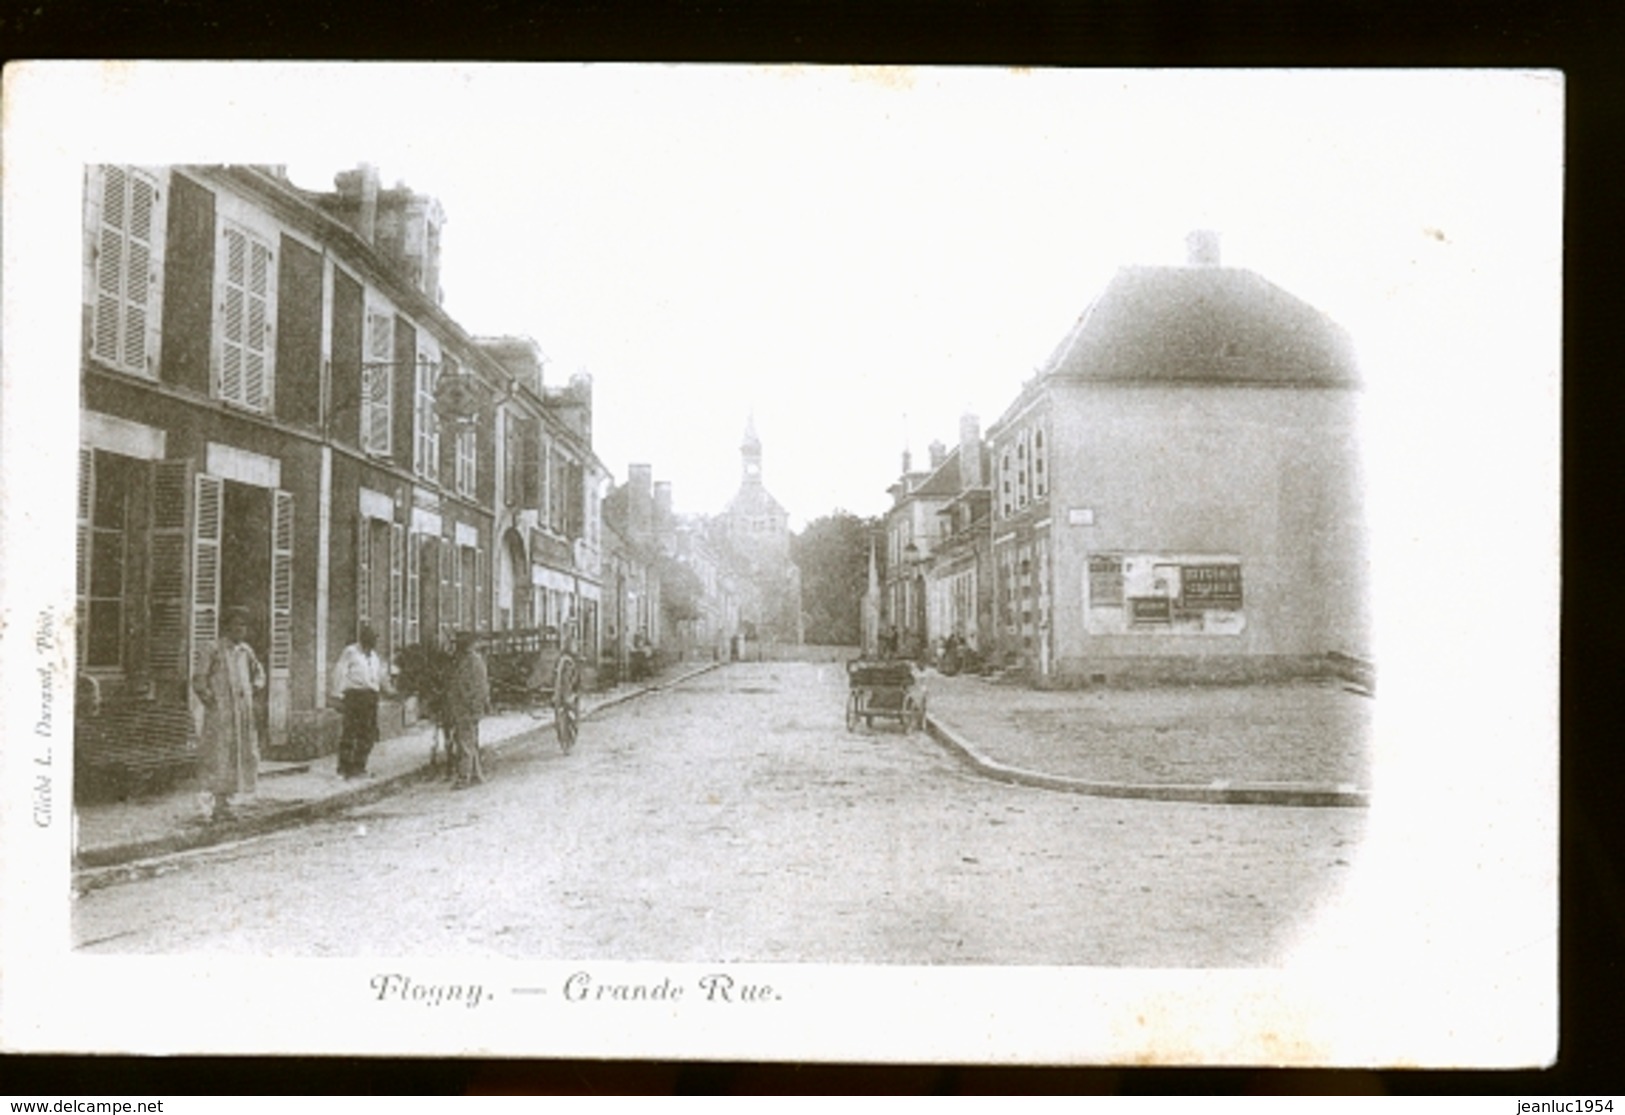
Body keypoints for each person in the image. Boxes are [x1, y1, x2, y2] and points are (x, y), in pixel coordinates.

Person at [192, 607, 266, 821]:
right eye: (237, 625)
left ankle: (226, 804)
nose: (241, 630)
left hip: (241, 713)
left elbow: (259, 673)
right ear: (227, 627)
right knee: (218, 755)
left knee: (239, 754)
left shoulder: (245, 651)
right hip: (221, 713)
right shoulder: (213, 649)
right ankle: (211, 805)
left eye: (244, 625)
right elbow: (199, 679)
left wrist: (255, 687)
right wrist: (210, 700)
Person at [332, 623, 384, 779]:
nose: (373, 642)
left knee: (368, 734)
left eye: (375, 639)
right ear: (363, 639)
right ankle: (344, 768)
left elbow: (378, 677)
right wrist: (338, 696)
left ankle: (359, 767)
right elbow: (339, 673)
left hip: (370, 697)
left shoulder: (374, 656)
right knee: (350, 732)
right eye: (370, 639)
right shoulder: (350, 652)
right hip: (354, 696)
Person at [446, 630, 491, 789]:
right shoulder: (467, 660)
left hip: (467, 707)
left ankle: (463, 778)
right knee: (471, 740)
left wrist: (474, 706)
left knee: (465, 742)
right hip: (465, 706)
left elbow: (479, 687)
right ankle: (477, 775)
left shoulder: (473, 661)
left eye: (459, 645)